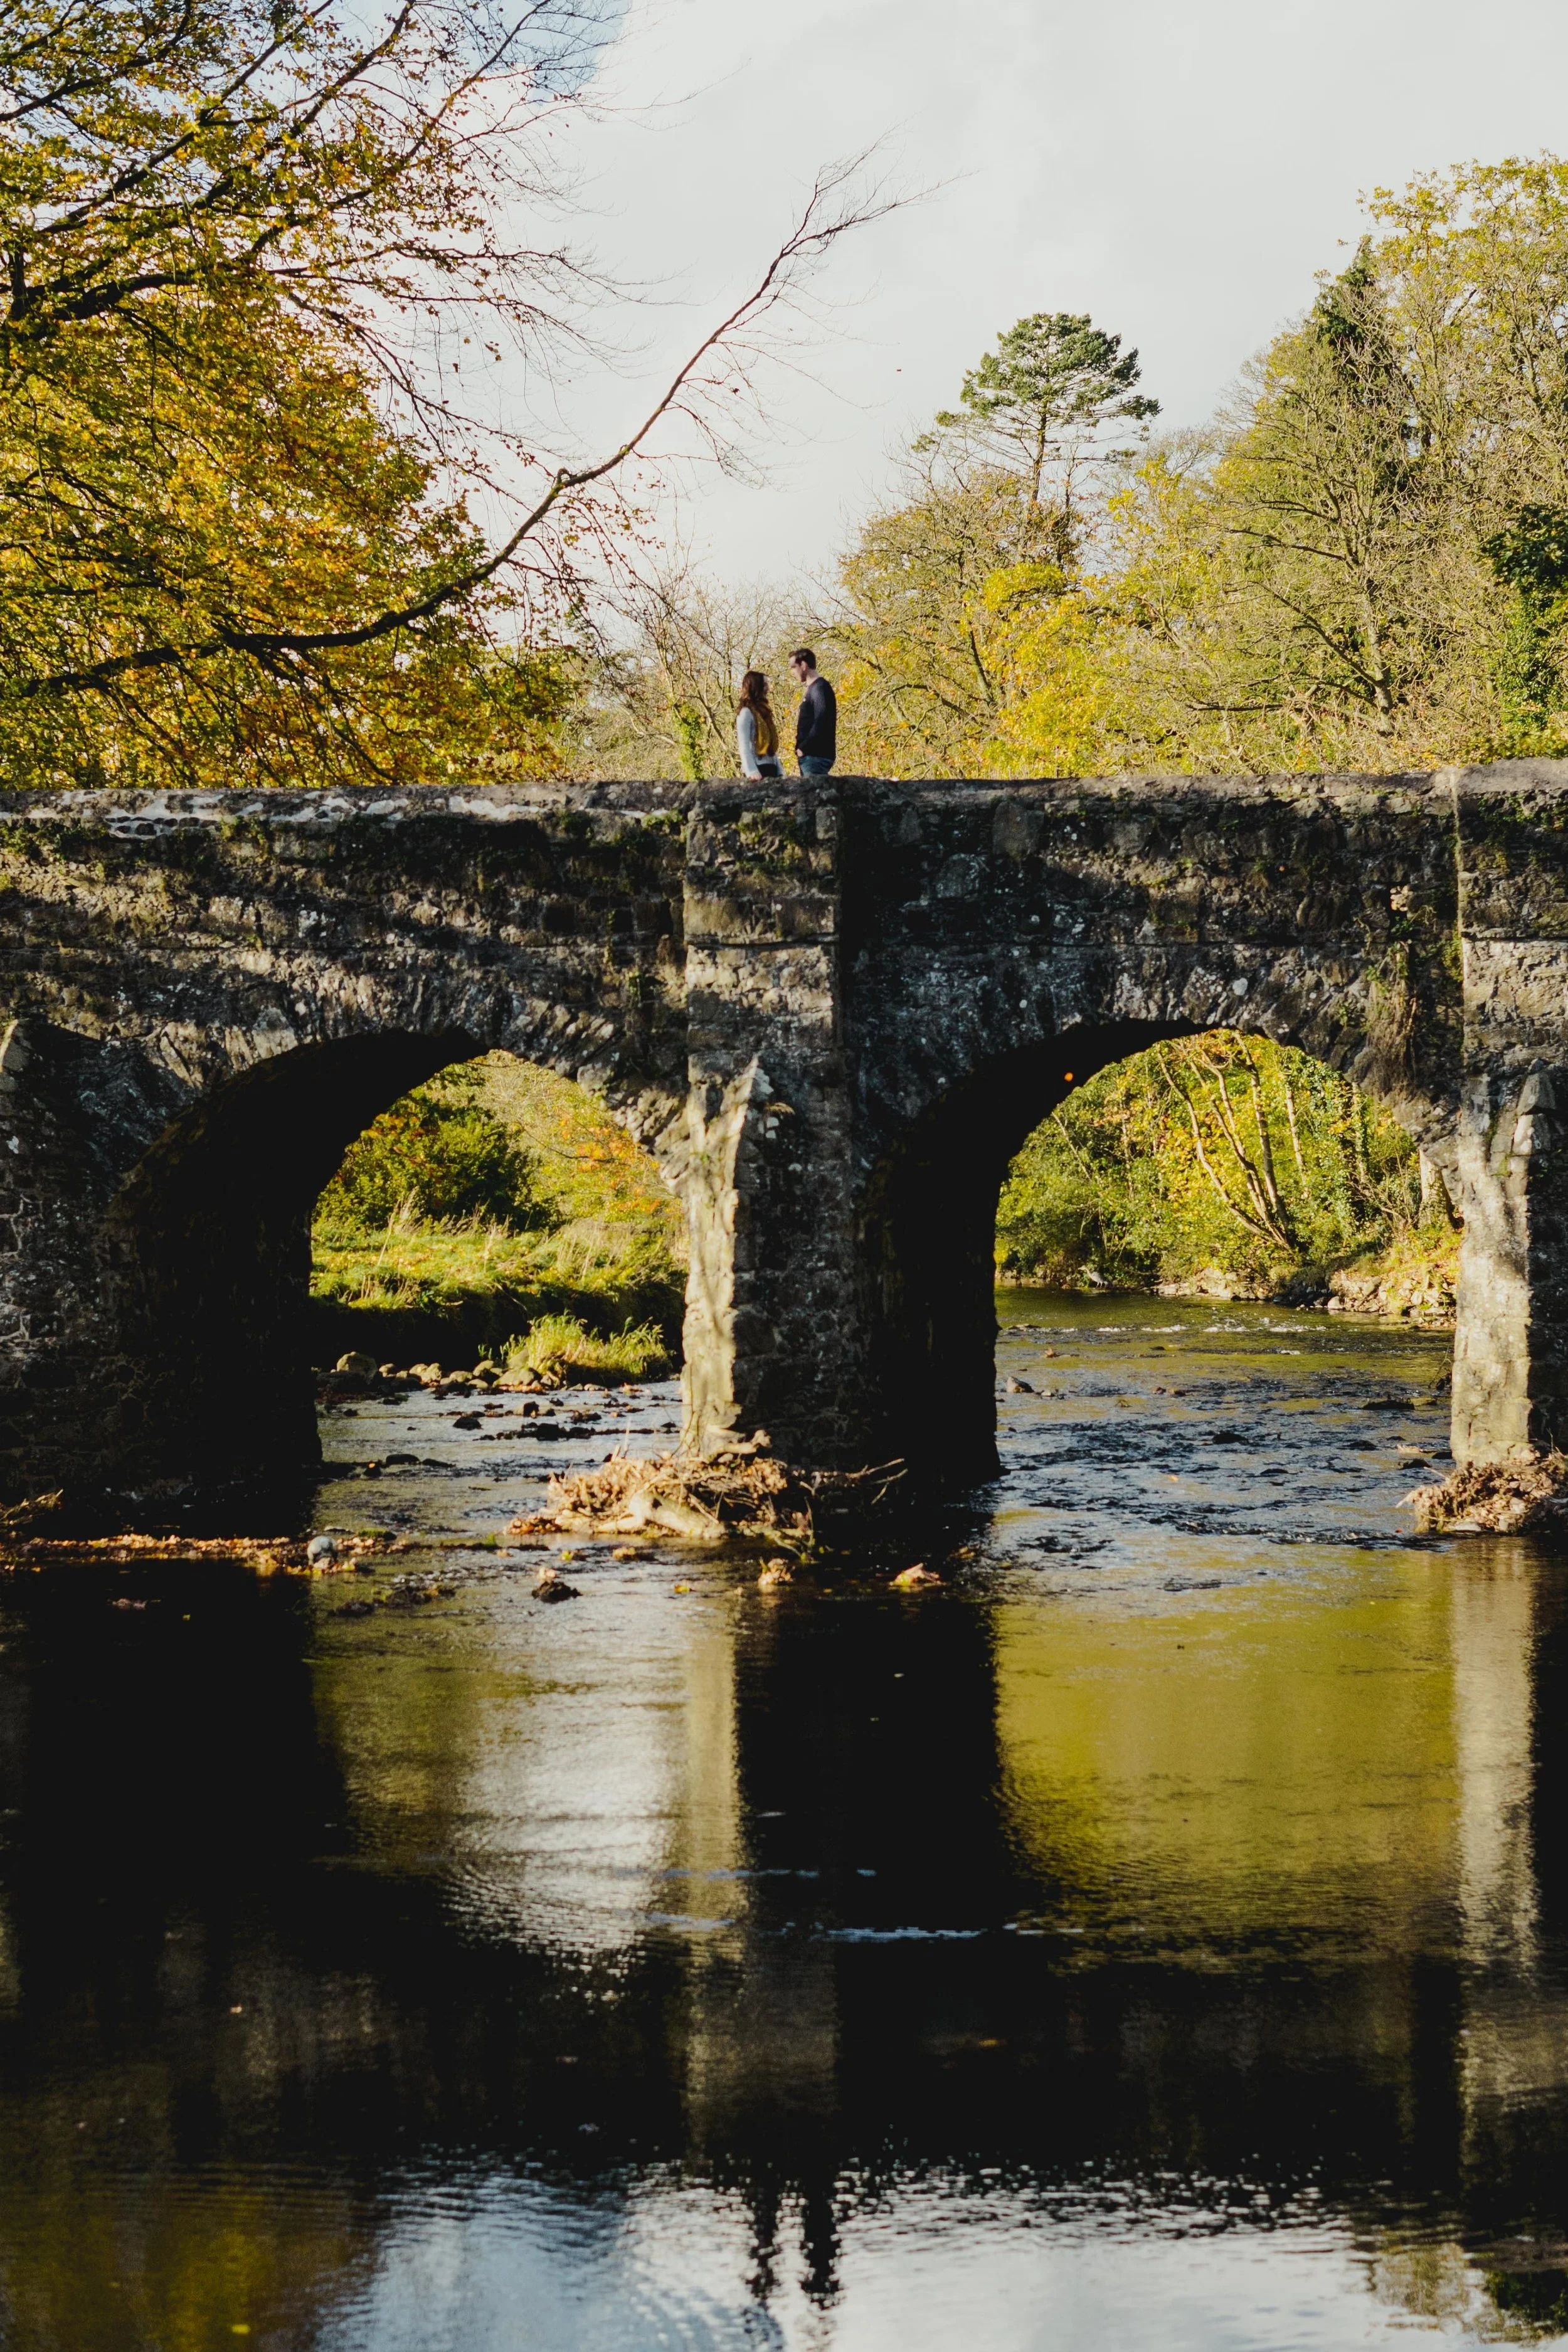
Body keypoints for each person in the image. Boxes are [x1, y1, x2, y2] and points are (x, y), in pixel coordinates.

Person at [790, 648, 836, 776]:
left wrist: (804, 748)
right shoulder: (815, 689)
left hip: (815, 757)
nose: (792, 672)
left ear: (804, 665)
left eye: (794, 667)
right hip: (812, 757)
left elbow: (822, 720)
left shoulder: (820, 689)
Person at [735, 670, 783, 780]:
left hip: (771, 768)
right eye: (765, 685)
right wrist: (752, 771)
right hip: (758, 769)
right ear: (756, 687)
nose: (768, 688)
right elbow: (744, 745)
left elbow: (771, 746)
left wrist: (780, 770)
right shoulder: (746, 713)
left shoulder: (765, 712)